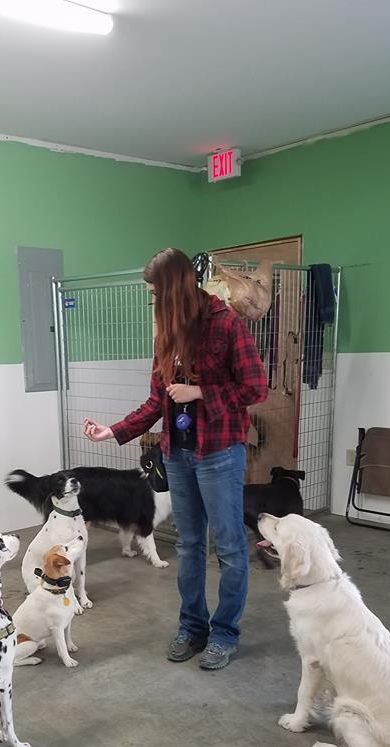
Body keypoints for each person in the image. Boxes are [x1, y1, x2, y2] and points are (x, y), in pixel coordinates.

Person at [83, 248, 268, 670]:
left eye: (155, 293)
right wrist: (114, 431)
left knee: (229, 547)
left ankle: (224, 634)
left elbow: (256, 388)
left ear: (175, 289)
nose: (152, 300)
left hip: (219, 452)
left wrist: (201, 392)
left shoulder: (227, 324)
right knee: (189, 544)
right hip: (178, 456)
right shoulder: (166, 334)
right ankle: (192, 627)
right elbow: (156, 401)